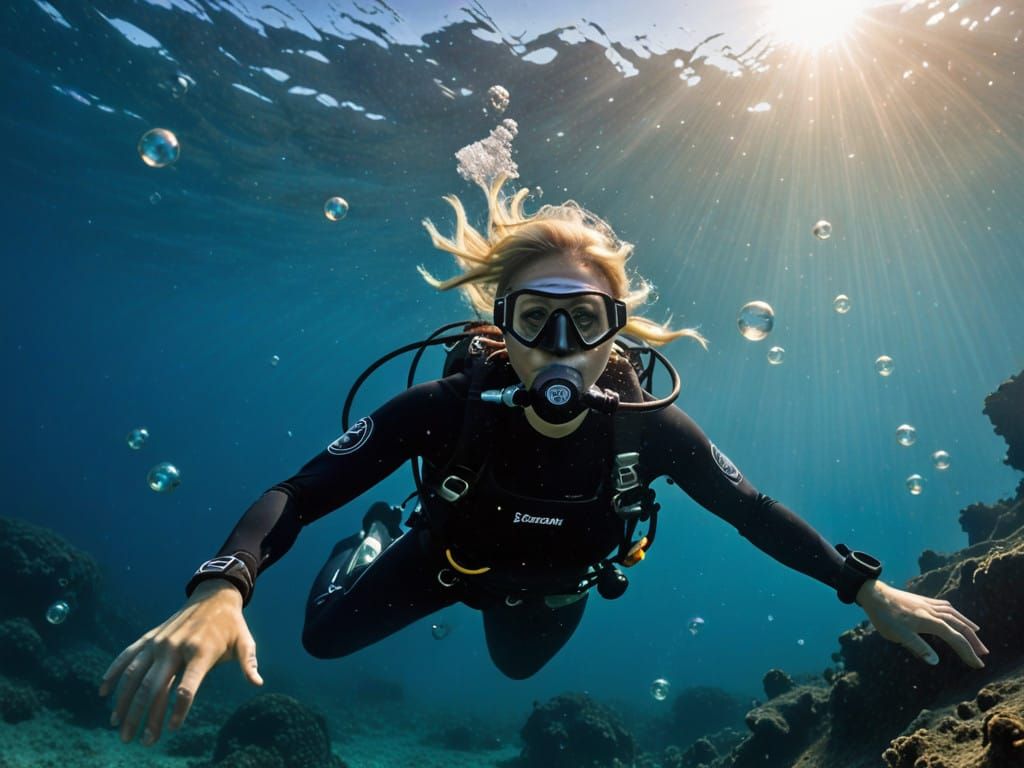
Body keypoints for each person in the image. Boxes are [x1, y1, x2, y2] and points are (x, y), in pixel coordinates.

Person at [99, 173, 989, 747]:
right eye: (535, 320)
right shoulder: (444, 409)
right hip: (447, 563)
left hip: (561, 585)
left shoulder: (653, 429)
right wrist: (223, 586)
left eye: (586, 322)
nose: (560, 347)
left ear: (617, 334)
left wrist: (864, 587)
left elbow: (750, 509)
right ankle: (380, 538)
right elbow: (297, 491)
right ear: (501, 327)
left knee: (517, 671)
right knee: (322, 640)